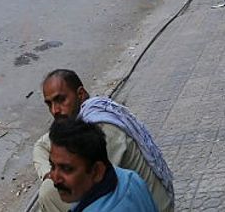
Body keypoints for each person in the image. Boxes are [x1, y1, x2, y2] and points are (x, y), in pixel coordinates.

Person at [32, 70, 173, 212]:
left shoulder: (102, 129)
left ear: (80, 94)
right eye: (49, 104)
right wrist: (49, 173)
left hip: (150, 204)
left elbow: (95, 188)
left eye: (61, 100)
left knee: (48, 193)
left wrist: (52, 178)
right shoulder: (91, 112)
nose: (55, 110)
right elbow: (41, 145)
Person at [45, 119, 158, 212]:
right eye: (52, 166)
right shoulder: (131, 178)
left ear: (97, 171)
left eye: (67, 169)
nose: (55, 178)